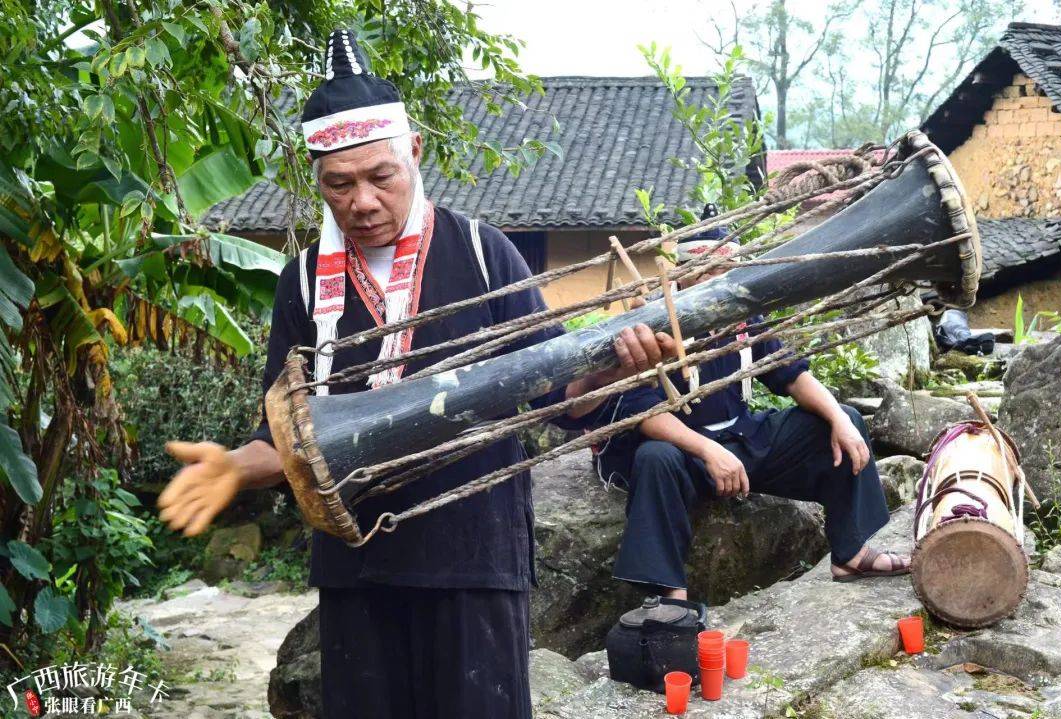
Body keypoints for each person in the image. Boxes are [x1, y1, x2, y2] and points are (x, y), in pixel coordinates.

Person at [156, 30, 674, 719]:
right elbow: (285, 432)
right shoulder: (304, 285)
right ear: (317, 179)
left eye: (381, 176)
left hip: (473, 557)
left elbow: (557, 395)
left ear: (416, 154)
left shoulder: (485, 257)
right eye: (339, 184)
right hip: (356, 566)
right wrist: (234, 465)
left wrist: (609, 370)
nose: (362, 200)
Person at [595, 212, 909, 601]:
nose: (721, 280)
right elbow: (642, 411)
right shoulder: (652, 321)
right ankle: (669, 593)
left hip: (739, 439)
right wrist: (708, 451)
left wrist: (836, 418)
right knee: (654, 458)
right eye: (711, 270)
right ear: (686, 272)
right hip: (684, 454)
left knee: (843, 419)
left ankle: (851, 551)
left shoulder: (741, 316)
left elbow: (791, 374)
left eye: (728, 270)